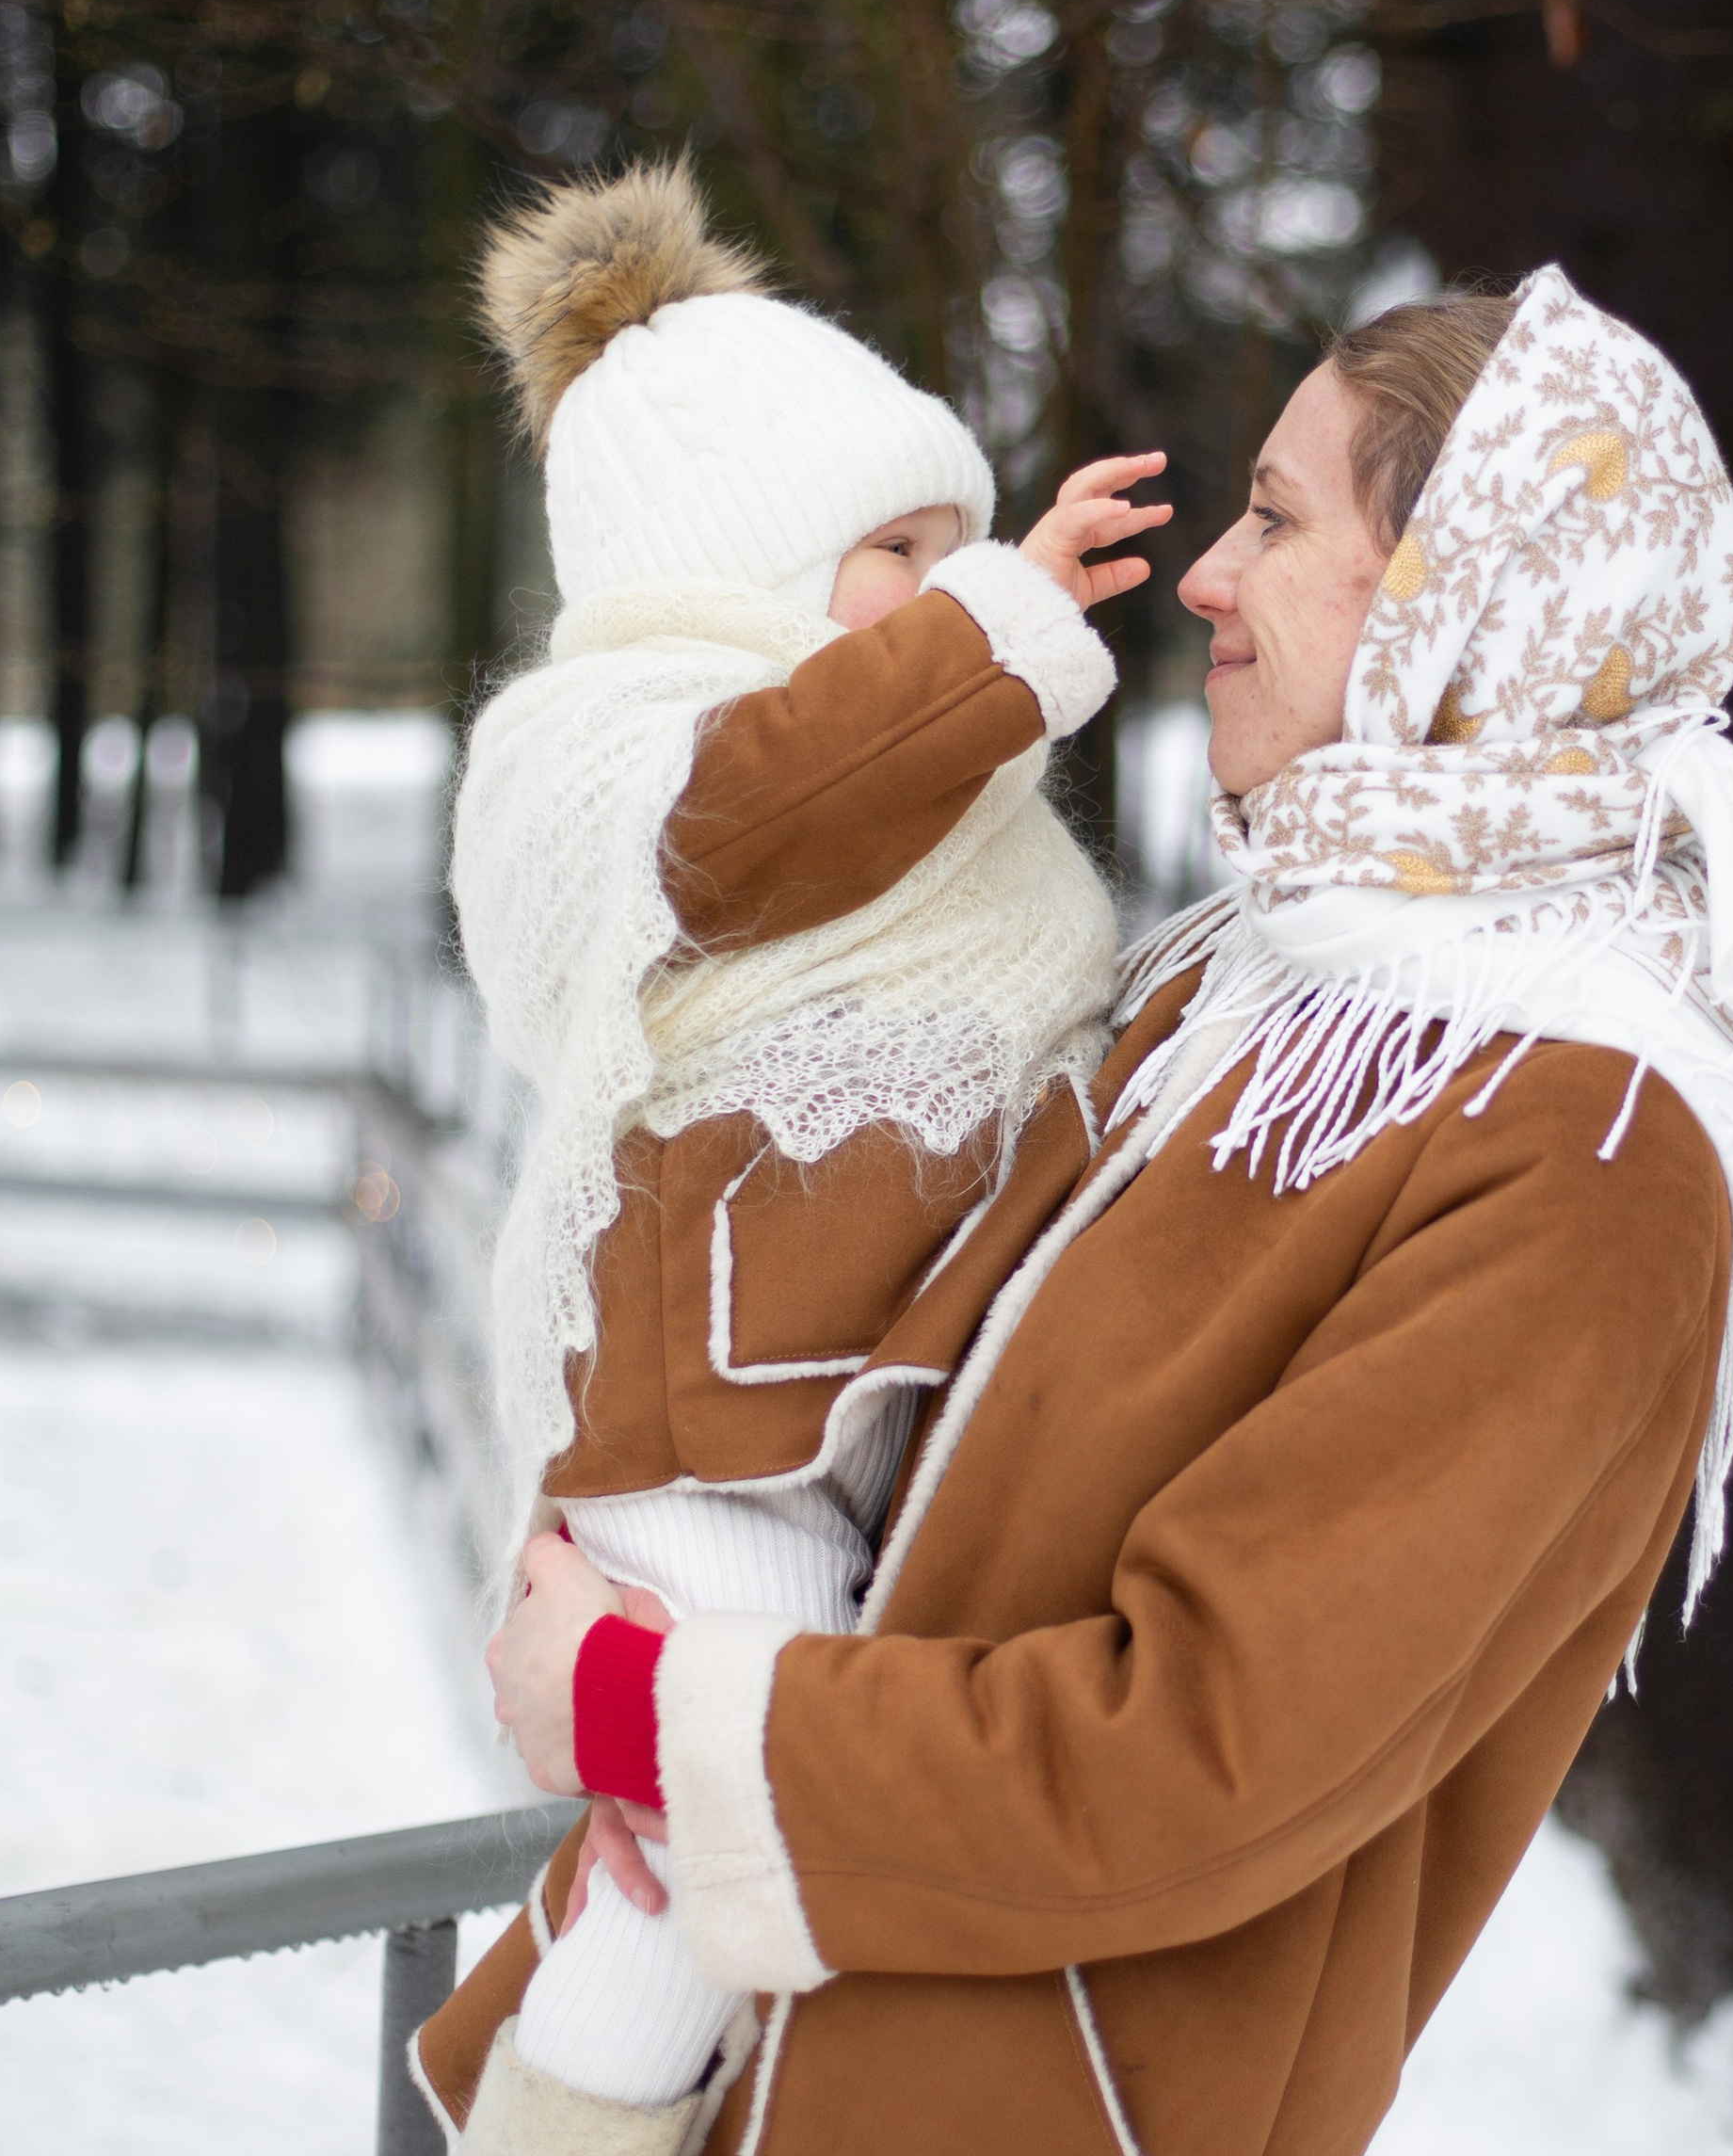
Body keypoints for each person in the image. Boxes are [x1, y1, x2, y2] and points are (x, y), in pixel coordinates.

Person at [429, 264, 1733, 2156]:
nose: (1201, 574)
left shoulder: (1585, 1137)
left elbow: (1197, 1752)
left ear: (1452, 585)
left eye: (1274, 515)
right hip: (798, 2046)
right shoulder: (1239, 987)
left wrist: (640, 1704)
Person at [437, 160, 1166, 2148]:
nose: (944, 581)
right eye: (892, 546)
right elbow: (767, 812)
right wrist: (1006, 607)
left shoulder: (935, 785)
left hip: (855, 1416)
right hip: (708, 1433)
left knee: (777, 1862)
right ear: (730, 551)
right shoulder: (618, 752)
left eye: (957, 534)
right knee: (684, 1891)